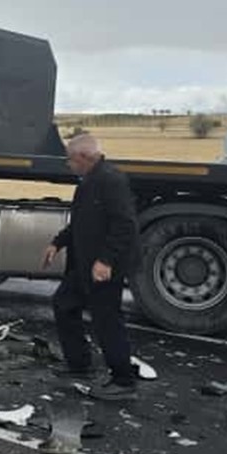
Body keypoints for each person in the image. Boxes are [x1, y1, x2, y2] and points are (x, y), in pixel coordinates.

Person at [41, 133, 141, 401]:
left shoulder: (111, 181)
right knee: (64, 304)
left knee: (107, 320)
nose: (68, 165)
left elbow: (125, 225)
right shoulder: (87, 182)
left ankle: (123, 381)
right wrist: (57, 243)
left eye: (70, 160)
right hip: (84, 264)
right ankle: (79, 365)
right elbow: (80, 223)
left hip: (102, 267)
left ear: (84, 158)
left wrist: (106, 260)